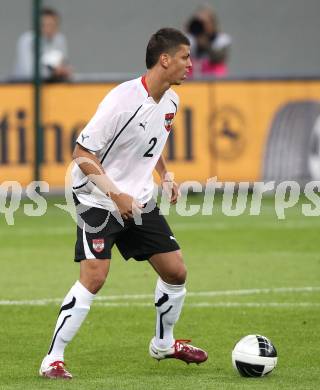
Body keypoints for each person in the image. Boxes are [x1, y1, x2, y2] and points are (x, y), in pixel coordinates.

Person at [39, 27, 208, 380]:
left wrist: (166, 175)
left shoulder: (172, 101)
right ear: (165, 60)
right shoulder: (121, 100)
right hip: (96, 197)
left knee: (176, 272)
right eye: (184, 57)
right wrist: (116, 195)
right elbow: (81, 153)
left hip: (138, 199)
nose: (190, 64)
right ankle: (52, 359)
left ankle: (164, 344)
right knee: (95, 276)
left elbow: (154, 139)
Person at [12, 7, 72, 81]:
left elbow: (63, 64)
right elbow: (28, 72)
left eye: (53, 25)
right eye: (46, 25)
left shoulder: (60, 40)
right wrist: (53, 72)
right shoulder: (27, 40)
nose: (49, 29)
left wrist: (64, 70)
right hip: (23, 86)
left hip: (52, 86)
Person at [186, 4, 231, 77]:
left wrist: (206, 45)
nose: (201, 26)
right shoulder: (189, 40)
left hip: (215, 80)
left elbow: (218, 58)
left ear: (213, 23)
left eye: (204, 23)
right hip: (192, 82)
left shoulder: (221, 40)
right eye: (199, 22)